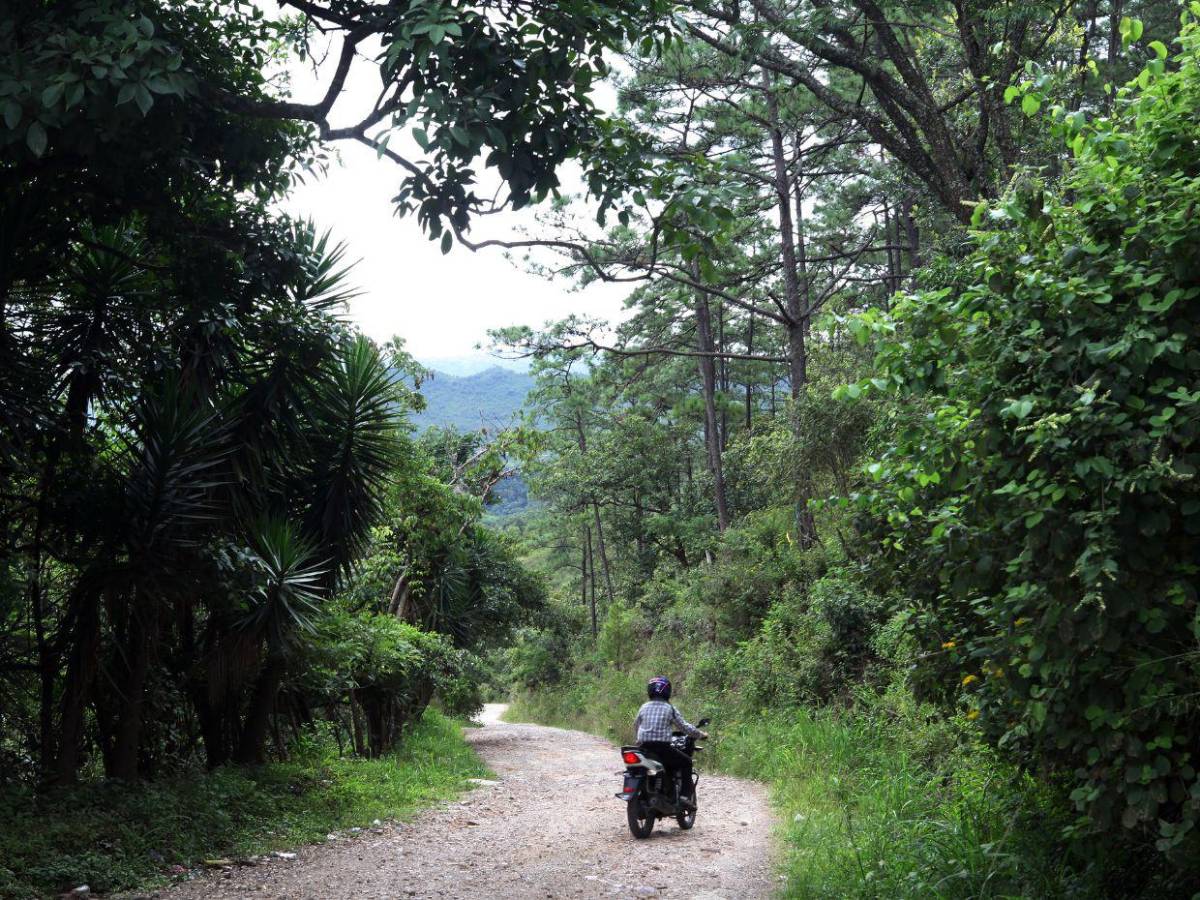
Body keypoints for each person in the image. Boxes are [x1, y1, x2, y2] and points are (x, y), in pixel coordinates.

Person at [634, 676, 708, 810]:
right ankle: (685, 797)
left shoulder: (643, 707)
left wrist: (638, 741)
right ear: (667, 691)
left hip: (644, 749)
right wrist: (701, 734)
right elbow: (684, 727)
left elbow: (636, 725)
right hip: (662, 749)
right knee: (687, 762)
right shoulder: (669, 708)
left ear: (650, 691)